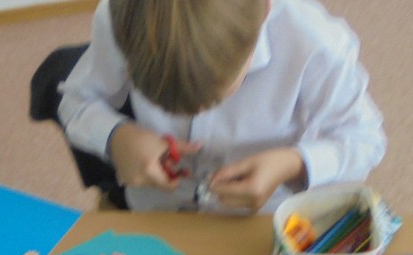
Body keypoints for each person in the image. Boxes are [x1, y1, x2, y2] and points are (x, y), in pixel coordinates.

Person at [58, 0, 386, 214]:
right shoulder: (119, 18)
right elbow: (74, 100)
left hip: (264, 222)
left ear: (265, 11)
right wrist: (116, 137)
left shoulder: (315, 44)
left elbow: (366, 140)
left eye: (220, 95)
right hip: (156, 214)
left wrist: (293, 164)